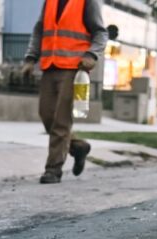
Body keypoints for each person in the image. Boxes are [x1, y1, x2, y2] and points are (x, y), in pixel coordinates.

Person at [23, 0, 109, 184]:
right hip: (49, 66)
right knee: (46, 115)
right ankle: (78, 147)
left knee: (61, 121)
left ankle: (53, 170)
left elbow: (101, 32)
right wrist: (31, 58)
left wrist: (91, 55)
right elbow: (39, 29)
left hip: (73, 68)